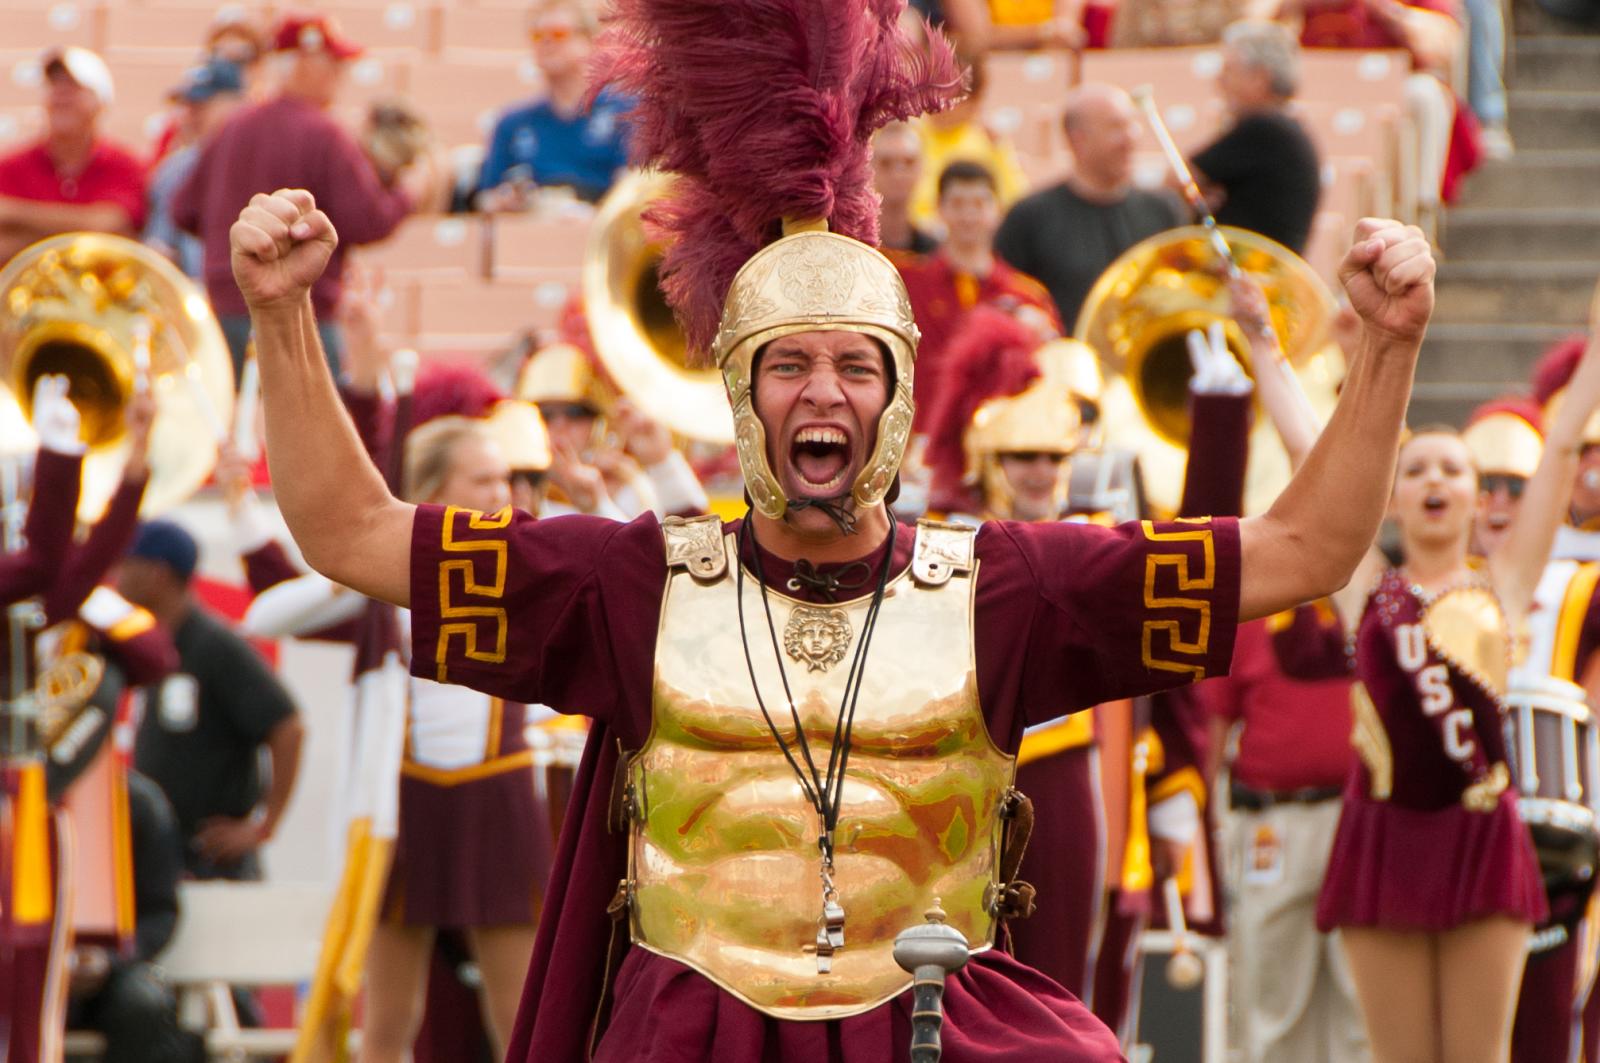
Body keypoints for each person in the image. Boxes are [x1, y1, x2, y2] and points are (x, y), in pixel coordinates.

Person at [229, 0, 1435, 1048]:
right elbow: (355, 533)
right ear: (742, 395)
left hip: (930, 1021)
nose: (822, 393)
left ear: (896, 396)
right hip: (689, 1028)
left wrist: (1385, 353)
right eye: (788, 366)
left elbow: (1301, 554)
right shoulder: (634, 579)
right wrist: (283, 323)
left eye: (854, 368)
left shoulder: (1003, 586)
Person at [1314, 324, 1600, 1061]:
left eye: (1453, 469)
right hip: (1383, 832)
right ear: (1389, 494)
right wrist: (1267, 346)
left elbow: (1564, 441)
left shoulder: (1502, 585)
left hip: (1482, 835)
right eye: (1416, 470)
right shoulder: (1365, 590)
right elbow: (1308, 457)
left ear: (1479, 498)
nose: (1436, 481)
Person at [173, 12, 423, 380]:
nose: (341, 74)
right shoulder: (325, 133)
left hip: (228, 306)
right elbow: (369, 220)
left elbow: (184, 209)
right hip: (301, 313)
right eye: (333, 63)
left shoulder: (234, 125)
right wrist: (412, 190)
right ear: (303, 64)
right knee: (310, 429)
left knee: (236, 428)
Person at [121, 520, 304, 881]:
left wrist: (263, 826)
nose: (117, 574)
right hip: (167, 857)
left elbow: (288, 727)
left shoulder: (214, 645)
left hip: (212, 865)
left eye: (126, 562)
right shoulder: (157, 644)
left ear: (157, 573)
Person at [994, 82, 1184, 326]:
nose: (1130, 139)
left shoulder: (1164, 210)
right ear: (1078, 140)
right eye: (1116, 127)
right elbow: (1002, 298)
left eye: (1131, 125)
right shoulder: (1029, 217)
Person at [896, 161, 1058, 427]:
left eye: (979, 204)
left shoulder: (1027, 296)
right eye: (958, 204)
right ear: (940, 210)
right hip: (923, 442)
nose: (969, 216)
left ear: (998, 211)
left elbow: (1050, 372)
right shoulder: (907, 284)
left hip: (1003, 442)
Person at [65, 771, 204, 1063]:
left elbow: (160, 912)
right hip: (17, 965)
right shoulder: (13, 794)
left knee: (145, 1004)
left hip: (106, 972)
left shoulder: (138, 801)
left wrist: (109, 959)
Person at [1285, 0, 1463, 226]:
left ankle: (1418, 219)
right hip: (1314, 86)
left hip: (1390, 84)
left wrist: (1389, 11)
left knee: (1424, 95)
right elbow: (1250, 34)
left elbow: (1441, 46)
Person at [475, 0, 633, 208]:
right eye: (537, 35)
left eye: (558, 34)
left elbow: (633, 189)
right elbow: (485, 199)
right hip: (533, 231)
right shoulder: (512, 123)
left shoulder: (625, 111)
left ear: (589, 41)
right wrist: (506, 201)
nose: (546, 43)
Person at [0, 47, 147, 266]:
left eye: (74, 88)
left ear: (100, 103)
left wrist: (16, 215)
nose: (61, 96)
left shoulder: (124, 165)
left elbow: (108, 224)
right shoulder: (12, 165)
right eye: (54, 86)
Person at [1189, 20, 1321, 255]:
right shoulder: (1286, 130)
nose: (1219, 81)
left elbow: (1180, 180)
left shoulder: (1264, 129)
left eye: (1229, 70)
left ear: (1259, 78)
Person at [144, 59, 246, 279]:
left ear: (237, 104)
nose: (190, 116)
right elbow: (159, 243)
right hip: (194, 297)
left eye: (201, 106)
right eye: (187, 107)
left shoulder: (259, 159)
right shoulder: (174, 170)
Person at [908, 58, 1030, 229]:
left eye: (953, 96)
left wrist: (1000, 151)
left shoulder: (988, 140)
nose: (939, 102)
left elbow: (1016, 204)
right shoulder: (907, 134)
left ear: (974, 102)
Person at [872, 123, 938, 258]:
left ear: (923, 169)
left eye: (909, 162)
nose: (898, 173)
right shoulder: (854, 244)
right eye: (886, 163)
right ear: (869, 168)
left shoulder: (935, 251)